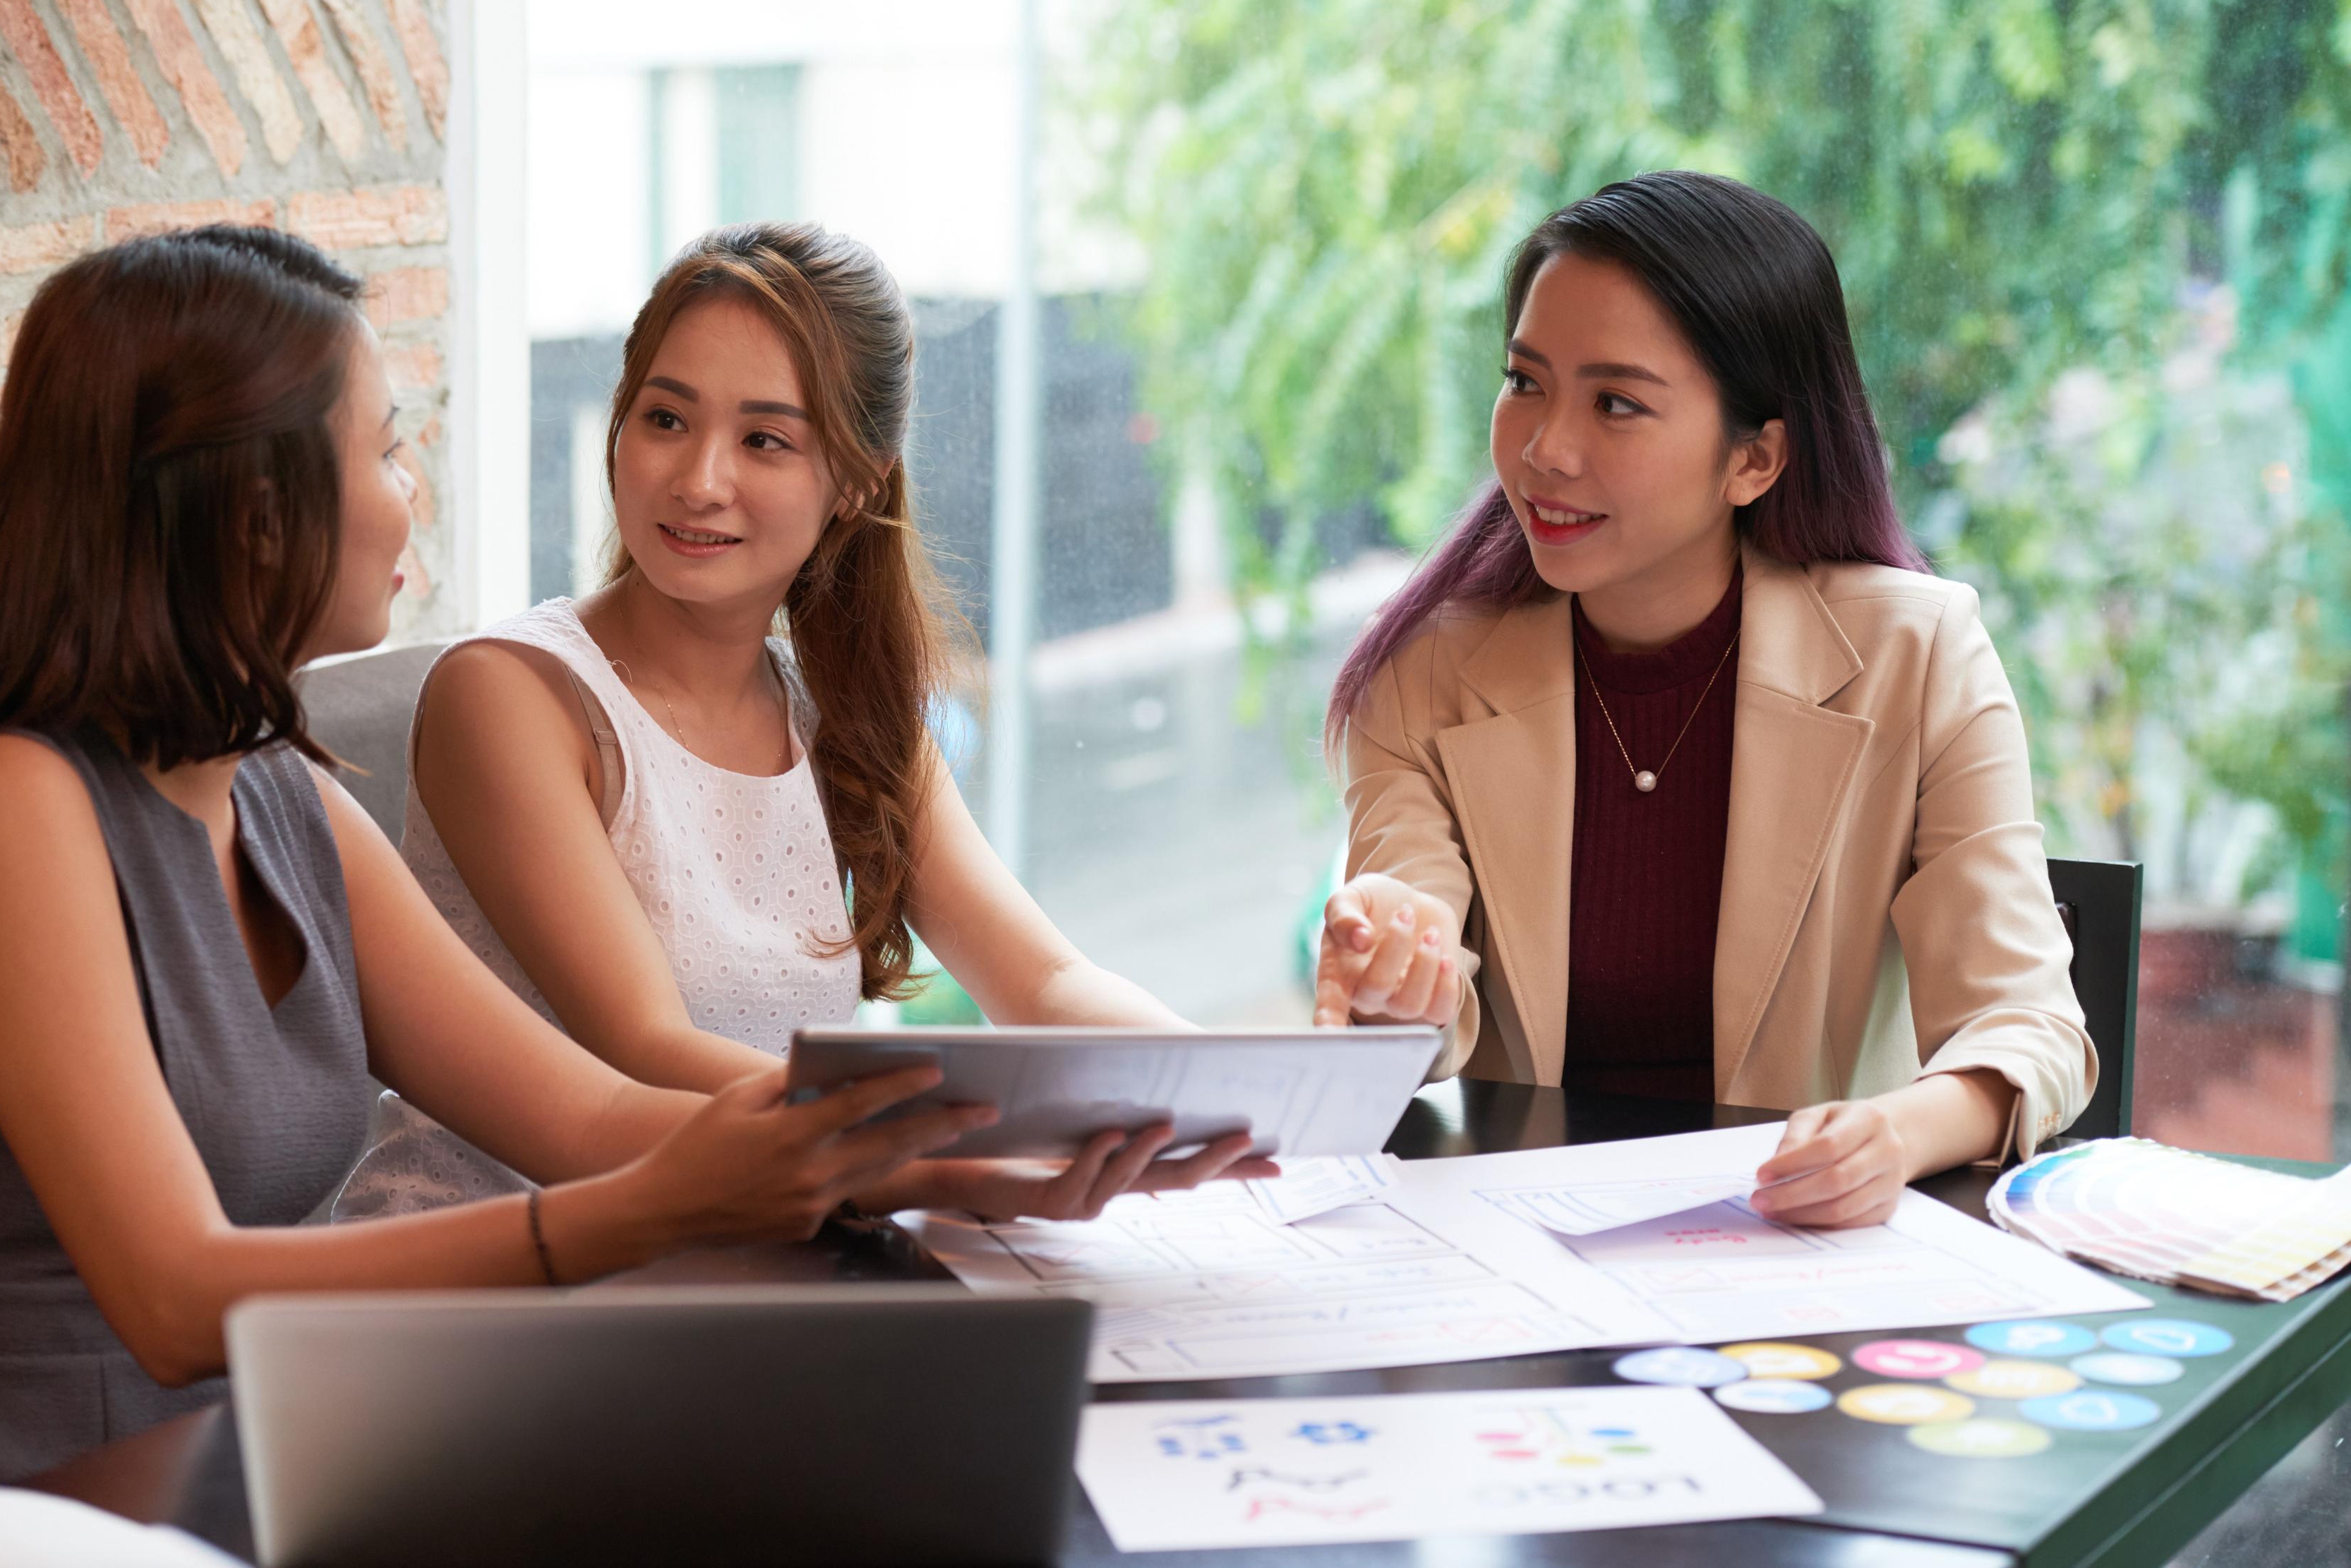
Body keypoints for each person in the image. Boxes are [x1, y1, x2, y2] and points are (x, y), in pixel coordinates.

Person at [0, 227, 1022, 1498]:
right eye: (387, 448)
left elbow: (591, 1114)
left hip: (242, 1482)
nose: (414, 492)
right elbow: (176, 1299)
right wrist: (663, 1205)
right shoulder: (10, 812)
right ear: (257, 511)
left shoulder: (286, 801)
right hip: (26, 1520)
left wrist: (957, 1160)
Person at [339, 223, 1267, 1223]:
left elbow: (1042, 980)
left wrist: (1237, 1104)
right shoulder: (511, 696)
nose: (699, 479)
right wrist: (941, 1158)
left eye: (765, 440)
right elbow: (643, 1049)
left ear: (857, 482)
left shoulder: (848, 720)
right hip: (494, 1280)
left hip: (751, 1252)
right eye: (664, 419)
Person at [1312, 171, 2094, 1227]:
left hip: (1793, 1251)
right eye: (1525, 382)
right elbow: (1419, 964)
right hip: (1515, 1250)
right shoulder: (1421, 667)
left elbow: (2030, 1026)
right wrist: (1395, 972)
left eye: (1617, 403)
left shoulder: (1919, 652)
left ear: (1756, 456)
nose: (1545, 448)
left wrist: (1897, 1133)